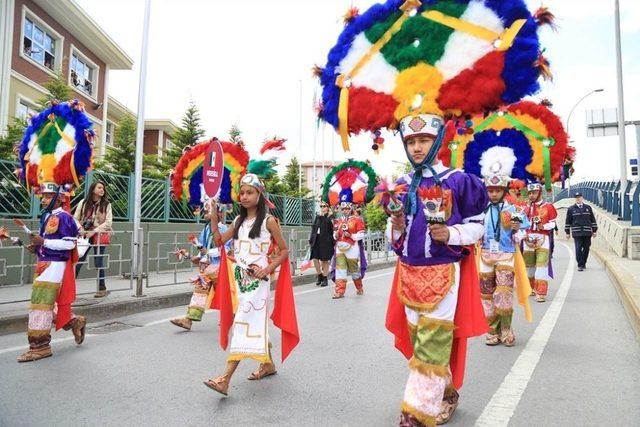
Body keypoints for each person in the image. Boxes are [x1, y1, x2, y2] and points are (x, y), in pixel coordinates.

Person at [386, 114, 489, 426]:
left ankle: (417, 412)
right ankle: (446, 392)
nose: (417, 148)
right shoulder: (400, 186)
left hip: (443, 271)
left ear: (437, 141)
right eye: (411, 142)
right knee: (421, 340)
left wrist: (451, 234)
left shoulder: (458, 180)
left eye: (423, 141)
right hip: (408, 273)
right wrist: (398, 227)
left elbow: (477, 227)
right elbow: (397, 240)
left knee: (434, 339)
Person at [203, 173, 295, 396]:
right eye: (242, 192)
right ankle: (268, 364)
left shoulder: (268, 221)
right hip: (240, 280)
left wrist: (268, 268)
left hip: (258, 281)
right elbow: (219, 241)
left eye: (249, 192)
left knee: (244, 321)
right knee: (254, 322)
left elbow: (284, 251)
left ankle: (225, 378)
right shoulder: (238, 221)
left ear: (259, 195)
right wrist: (214, 217)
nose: (244, 196)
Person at [18, 183, 86, 362]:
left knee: (41, 303)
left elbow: (70, 244)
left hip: (55, 265)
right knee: (43, 302)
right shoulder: (47, 216)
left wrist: (44, 243)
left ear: (61, 198)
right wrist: (37, 246)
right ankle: (73, 322)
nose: (44, 199)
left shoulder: (66, 218)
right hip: (44, 262)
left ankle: (40, 346)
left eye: (48, 196)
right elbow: (46, 240)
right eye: (43, 196)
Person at [479, 174, 531, 347]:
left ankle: (506, 330)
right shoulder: (480, 210)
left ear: (504, 191)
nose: (493, 194)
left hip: (506, 255)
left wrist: (517, 231)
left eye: (497, 190)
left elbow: (522, 233)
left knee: (503, 294)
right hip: (485, 255)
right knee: (486, 296)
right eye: (490, 190)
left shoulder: (513, 210)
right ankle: (491, 331)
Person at [170, 202, 230, 330]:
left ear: (218, 213)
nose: (204, 212)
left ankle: (230, 317)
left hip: (222, 269)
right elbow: (202, 249)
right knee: (199, 292)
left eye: (208, 210)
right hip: (208, 269)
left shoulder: (224, 229)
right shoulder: (206, 229)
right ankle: (188, 320)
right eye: (205, 210)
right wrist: (188, 256)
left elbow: (228, 249)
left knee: (226, 295)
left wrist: (206, 252)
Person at [74, 180, 113, 298]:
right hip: (84, 234)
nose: (102, 190)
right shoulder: (83, 202)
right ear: (93, 189)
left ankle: (102, 288)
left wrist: (94, 231)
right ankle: (69, 288)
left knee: (98, 261)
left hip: (99, 235)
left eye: (103, 188)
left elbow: (108, 222)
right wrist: (80, 228)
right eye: (99, 188)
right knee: (79, 260)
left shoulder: (106, 204)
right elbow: (75, 218)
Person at [523, 183, 558, 302]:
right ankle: (531, 288)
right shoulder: (525, 208)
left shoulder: (548, 206)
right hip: (528, 239)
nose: (531, 195)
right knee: (529, 267)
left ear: (540, 193)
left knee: (541, 266)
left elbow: (553, 223)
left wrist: (543, 226)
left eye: (534, 193)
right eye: (530, 193)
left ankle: (541, 292)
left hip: (543, 239)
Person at [332, 202, 366, 298]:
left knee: (354, 270)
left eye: (347, 208)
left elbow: (362, 234)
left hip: (352, 248)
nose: (345, 211)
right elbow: (334, 234)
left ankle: (359, 287)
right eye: (343, 209)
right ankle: (339, 291)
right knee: (340, 269)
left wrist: (351, 235)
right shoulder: (338, 221)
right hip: (340, 247)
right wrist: (336, 235)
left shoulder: (357, 220)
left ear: (351, 208)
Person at [564, 192, 597, 271]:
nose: (578, 198)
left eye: (579, 197)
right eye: (576, 197)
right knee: (578, 248)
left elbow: (592, 219)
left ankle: (583, 262)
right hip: (577, 232)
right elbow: (568, 221)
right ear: (575, 199)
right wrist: (567, 232)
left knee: (586, 248)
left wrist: (594, 230)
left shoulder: (588, 208)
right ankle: (580, 265)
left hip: (587, 232)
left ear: (582, 198)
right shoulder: (571, 209)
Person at [309, 201, 334, 287]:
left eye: (324, 206)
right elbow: (314, 228)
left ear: (328, 208)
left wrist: (325, 216)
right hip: (316, 240)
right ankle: (319, 275)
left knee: (324, 260)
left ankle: (325, 277)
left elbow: (328, 226)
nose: (322, 208)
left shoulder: (330, 217)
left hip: (326, 241)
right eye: (321, 206)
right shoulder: (318, 216)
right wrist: (311, 239)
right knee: (315, 258)